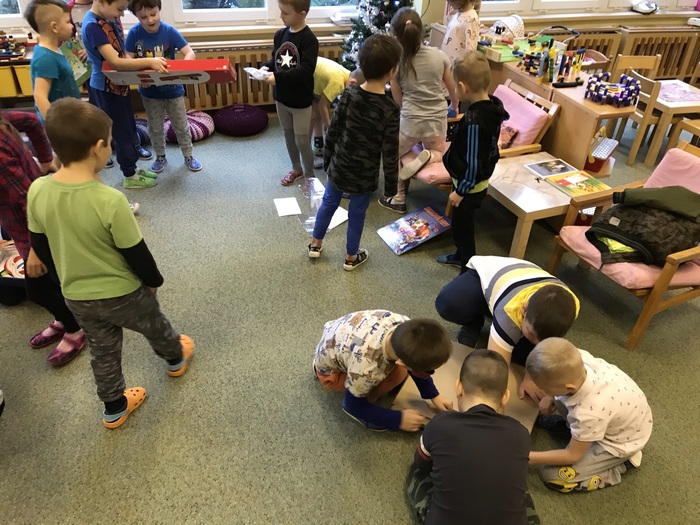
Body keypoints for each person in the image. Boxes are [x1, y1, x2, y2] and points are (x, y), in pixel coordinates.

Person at [27, 98, 195, 428]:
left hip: (77, 297)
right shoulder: (111, 200)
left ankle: (114, 407)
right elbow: (136, 252)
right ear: (97, 149)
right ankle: (175, 358)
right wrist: (153, 282)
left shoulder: (38, 190)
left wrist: (66, 280)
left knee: (103, 351)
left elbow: (41, 246)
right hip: (123, 293)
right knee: (154, 325)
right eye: (109, 141)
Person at [406, 349, 540, 525]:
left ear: (458, 388)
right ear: (505, 397)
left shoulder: (440, 423)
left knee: (416, 472)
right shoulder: (521, 433)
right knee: (518, 489)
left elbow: (421, 463)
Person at [307, 34, 401, 271]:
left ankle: (315, 243)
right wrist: (391, 188)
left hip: (339, 165)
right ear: (392, 71)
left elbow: (334, 130)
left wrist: (328, 159)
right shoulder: (390, 109)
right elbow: (390, 152)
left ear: (362, 64)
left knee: (328, 203)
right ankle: (351, 257)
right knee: (357, 214)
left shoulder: (349, 94)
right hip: (365, 175)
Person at [0, 110, 86, 366]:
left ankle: (75, 329)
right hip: (22, 220)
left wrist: (36, 249)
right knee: (51, 279)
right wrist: (46, 159)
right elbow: (31, 121)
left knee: (37, 290)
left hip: (33, 225)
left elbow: (29, 201)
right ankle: (63, 317)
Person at [435, 256, 579, 402]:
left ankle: (514, 331)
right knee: (448, 304)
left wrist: (531, 378)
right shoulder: (509, 312)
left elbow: (547, 345)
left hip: (525, 282)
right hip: (486, 277)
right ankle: (474, 321)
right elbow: (496, 364)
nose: (536, 343)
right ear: (524, 310)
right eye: (531, 334)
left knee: (527, 358)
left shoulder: (572, 305)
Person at [526, 338, 653, 492]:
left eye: (545, 388)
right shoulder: (579, 358)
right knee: (560, 398)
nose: (542, 391)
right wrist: (550, 395)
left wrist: (528, 457)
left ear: (569, 387)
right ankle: (578, 432)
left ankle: (618, 467)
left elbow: (572, 456)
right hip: (619, 418)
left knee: (551, 475)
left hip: (619, 444)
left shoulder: (587, 413)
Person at [313, 310, 452, 432]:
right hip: (331, 373)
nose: (429, 373)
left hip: (341, 333)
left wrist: (433, 395)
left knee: (397, 372)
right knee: (397, 376)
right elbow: (353, 406)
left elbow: (415, 363)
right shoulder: (367, 370)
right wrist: (398, 419)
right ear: (401, 363)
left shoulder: (404, 325)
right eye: (429, 371)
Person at [378, 7, 458, 214]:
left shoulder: (396, 64)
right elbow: (452, 88)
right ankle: (429, 156)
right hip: (436, 123)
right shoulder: (439, 56)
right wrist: (455, 106)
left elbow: (398, 98)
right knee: (440, 152)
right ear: (421, 31)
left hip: (411, 123)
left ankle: (399, 197)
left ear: (396, 36)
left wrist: (406, 111)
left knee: (394, 154)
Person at [435, 50, 508, 271]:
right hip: (467, 183)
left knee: (463, 229)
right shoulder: (490, 106)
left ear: (463, 87)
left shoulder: (476, 121)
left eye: (455, 86)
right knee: (460, 225)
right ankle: (460, 255)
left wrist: (461, 191)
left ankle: (467, 267)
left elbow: (474, 162)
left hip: (469, 187)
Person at [81, 0, 166, 189]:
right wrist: (149, 62)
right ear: (102, 2)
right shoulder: (93, 26)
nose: (121, 14)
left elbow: (121, 54)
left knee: (129, 126)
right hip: (106, 88)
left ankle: (133, 168)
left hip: (118, 84)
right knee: (122, 132)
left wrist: (138, 74)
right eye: (119, 9)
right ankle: (129, 175)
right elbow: (115, 61)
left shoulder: (106, 19)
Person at [125, 0, 203, 173]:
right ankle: (160, 156)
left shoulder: (169, 31)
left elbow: (190, 52)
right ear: (136, 16)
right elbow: (127, 57)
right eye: (143, 17)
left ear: (159, 9)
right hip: (149, 92)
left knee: (181, 125)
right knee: (155, 127)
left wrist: (183, 69)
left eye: (153, 14)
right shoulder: (134, 33)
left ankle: (188, 155)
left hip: (173, 90)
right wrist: (139, 74)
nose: (150, 20)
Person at [260, 0, 318, 186]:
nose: (281, 16)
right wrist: (265, 67)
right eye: (281, 11)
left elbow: (305, 71)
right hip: (282, 99)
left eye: (285, 13)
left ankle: (310, 176)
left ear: (302, 14)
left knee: (302, 141)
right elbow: (275, 60)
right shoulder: (280, 34)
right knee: (288, 136)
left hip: (300, 102)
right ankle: (296, 169)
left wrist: (277, 78)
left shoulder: (309, 40)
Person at [25, 0, 83, 121]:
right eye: (67, 22)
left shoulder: (55, 50)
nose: (72, 26)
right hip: (60, 122)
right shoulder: (45, 58)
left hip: (69, 115)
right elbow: (40, 96)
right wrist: (55, 126)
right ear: (54, 27)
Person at [309, 57, 352, 168]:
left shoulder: (346, 73)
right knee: (311, 118)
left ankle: (318, 146)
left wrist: (326, 121)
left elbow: (325, 101)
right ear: (353, 83)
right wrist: (329, 127)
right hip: (305, 77)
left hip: (313, 77)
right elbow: (322, 105)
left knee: (318, 114)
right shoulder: (338, 83)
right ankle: (307, 156)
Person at [441, 0, 481, 64]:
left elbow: (471, 49)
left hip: (456, 65)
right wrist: (450, 15)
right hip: (447, 60)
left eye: (451, 1)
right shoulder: (458, 13)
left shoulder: (471, 18)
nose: (449, 3)